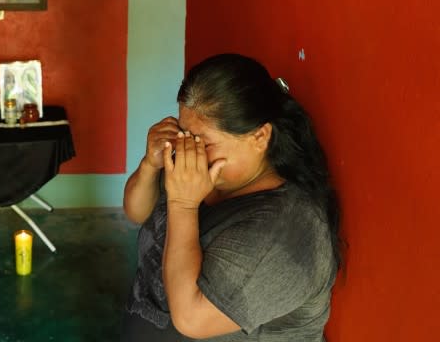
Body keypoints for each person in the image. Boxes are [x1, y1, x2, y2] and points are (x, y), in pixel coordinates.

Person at [122, 54, 342, 341]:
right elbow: (136, 212)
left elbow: (191, 319)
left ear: (260, 137)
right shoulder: (198, 169)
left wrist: (183, 204)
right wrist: (150, 165)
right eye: (185, 133)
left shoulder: (285, 232)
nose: (190, 149)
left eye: (205, 142)